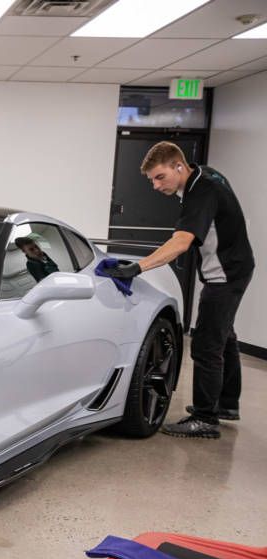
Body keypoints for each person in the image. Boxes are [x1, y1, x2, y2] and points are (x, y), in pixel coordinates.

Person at [103, 141, 255, 439]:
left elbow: (181, 242)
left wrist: (137, 268)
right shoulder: (206, 175)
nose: (156, 186)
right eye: (151, 180)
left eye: (160, 177)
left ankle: (205, 418)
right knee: (225, 337)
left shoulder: (201, 191)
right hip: (236, 267)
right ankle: (226, 404)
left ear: (179, 166)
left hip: (225, 275)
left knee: (206, 345)